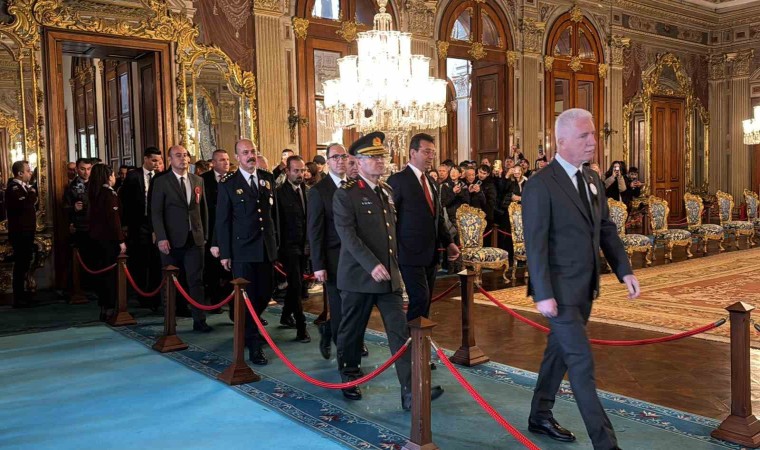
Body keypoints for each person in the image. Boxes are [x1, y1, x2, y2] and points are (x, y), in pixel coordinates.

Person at [522, 108, 640, 449]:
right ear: (561, 141)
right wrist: (542, 292)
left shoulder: (591, 179)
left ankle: (539, 414)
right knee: (581, 363)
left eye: (593, 135)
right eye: (584, 136)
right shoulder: (540, 184)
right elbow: (535, 242)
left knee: (558, 353)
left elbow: (605, 229)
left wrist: (624, 270)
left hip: (586, 287)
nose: (592, 142)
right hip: (557, 292)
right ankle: (606, 444)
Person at [333, 131, 444, 409]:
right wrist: (372, 264)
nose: (380, 161)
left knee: (399, 331)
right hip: (359, 277)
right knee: (352, 331)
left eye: (382, 157)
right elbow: (348, 236)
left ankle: (411, 390)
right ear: (358, 162)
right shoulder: (346, 194)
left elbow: (391, 233)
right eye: (373, 158)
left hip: (388, 278)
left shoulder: (386, 191)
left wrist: (393, 268)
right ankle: (349, 376)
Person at [216, 139, 278, 365]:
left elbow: (273, 216)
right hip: (242, 250)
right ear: (237, 157)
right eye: (245, 152)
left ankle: (247, 328)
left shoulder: (267, 178)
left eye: (252, 151)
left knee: (266, 292)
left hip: (266, 248)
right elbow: (222, 220)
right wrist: (225, 252)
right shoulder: (228, 183)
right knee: (249, 298)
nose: (250, 155)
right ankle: (253, 344)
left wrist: (276, 244)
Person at [388, 133, 459, 327]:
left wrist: (449, 242)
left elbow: (438, 217)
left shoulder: (431, 182)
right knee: (420, 297)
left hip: (430, 253)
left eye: (433, 152)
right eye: (426, 152)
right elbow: (391, 219)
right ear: (413, 152)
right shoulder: (398, 180)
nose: (431, 156)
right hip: (408, 252)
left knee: (425, 301)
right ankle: (410, 341)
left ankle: (421, 342)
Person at [151, 145, 212, 332]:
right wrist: (161, 237)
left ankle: (199, 320)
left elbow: (203, 210)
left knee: (196, 281)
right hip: (170, 240)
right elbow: (156, 212)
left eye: (185, 155)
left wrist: (204, 235)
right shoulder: (161, 182)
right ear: (170, 159)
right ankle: (170, 321)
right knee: (170, 282)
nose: (183, 158)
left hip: (195, 239)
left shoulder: (198, 180)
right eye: (178, 155)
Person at [308, 143, 353, 360]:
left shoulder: (355, 185)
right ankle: (344, 351)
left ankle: (344, 336)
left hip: (356, 256)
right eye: (335, 157)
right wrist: (318, 265)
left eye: (343, 156)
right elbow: (315, 231)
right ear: (327, 162)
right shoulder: (318, 191)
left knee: (356, 304)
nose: (340, 160)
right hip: (333, 257)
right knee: (339, 305)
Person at [120, 147, 163, 310]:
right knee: (140, 260)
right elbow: (125, 201)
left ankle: (155, 296)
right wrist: (125, 224)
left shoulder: (160, 177)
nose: (156, 164)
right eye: (153, 160)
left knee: (156, 261)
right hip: (138, 224)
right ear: (145, 159)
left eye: (159, 161)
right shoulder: (133, 176)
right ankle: (141, 295)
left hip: (156, 223)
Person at [276, 155, 310, 342]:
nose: (300, 174)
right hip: (288, 247)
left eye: (302, 170)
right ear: (287, 171)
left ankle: (285, 314)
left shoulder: (309, 191)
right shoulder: (279, 193)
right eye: (296, 171)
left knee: (297, 284)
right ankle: (301, 326)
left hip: (305, 246)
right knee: (296, 284)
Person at [88, 164, 126, 321]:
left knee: (102, 275)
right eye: (113, 174)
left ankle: (104, 307)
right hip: (109, 240)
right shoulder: (109, 194)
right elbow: (114, 220)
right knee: (110, 276)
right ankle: (110, 308)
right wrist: (121, 240)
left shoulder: (94, 192)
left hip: (96, 239)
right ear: (108, 177)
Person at [203, 149, 231, 311]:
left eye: (227, 159)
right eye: (222, 160)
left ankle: (229, 300)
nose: (226, 163)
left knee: (229, 269)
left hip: (228, 230)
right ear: (213, 163)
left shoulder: (233, 178)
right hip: (210, 228)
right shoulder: (203, 179)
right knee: (212, 268)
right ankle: (215, 300)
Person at [6, 160, 37, 308]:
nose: (30, 173)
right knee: (20, 265)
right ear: (20, 173)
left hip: (27, 231)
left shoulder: (23, 187)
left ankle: (23, 295)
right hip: (20, 233)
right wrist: (31, 193)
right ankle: (18, 298)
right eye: (28, 171)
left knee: (25, 263)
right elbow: (25, 205)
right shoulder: (14, 188)